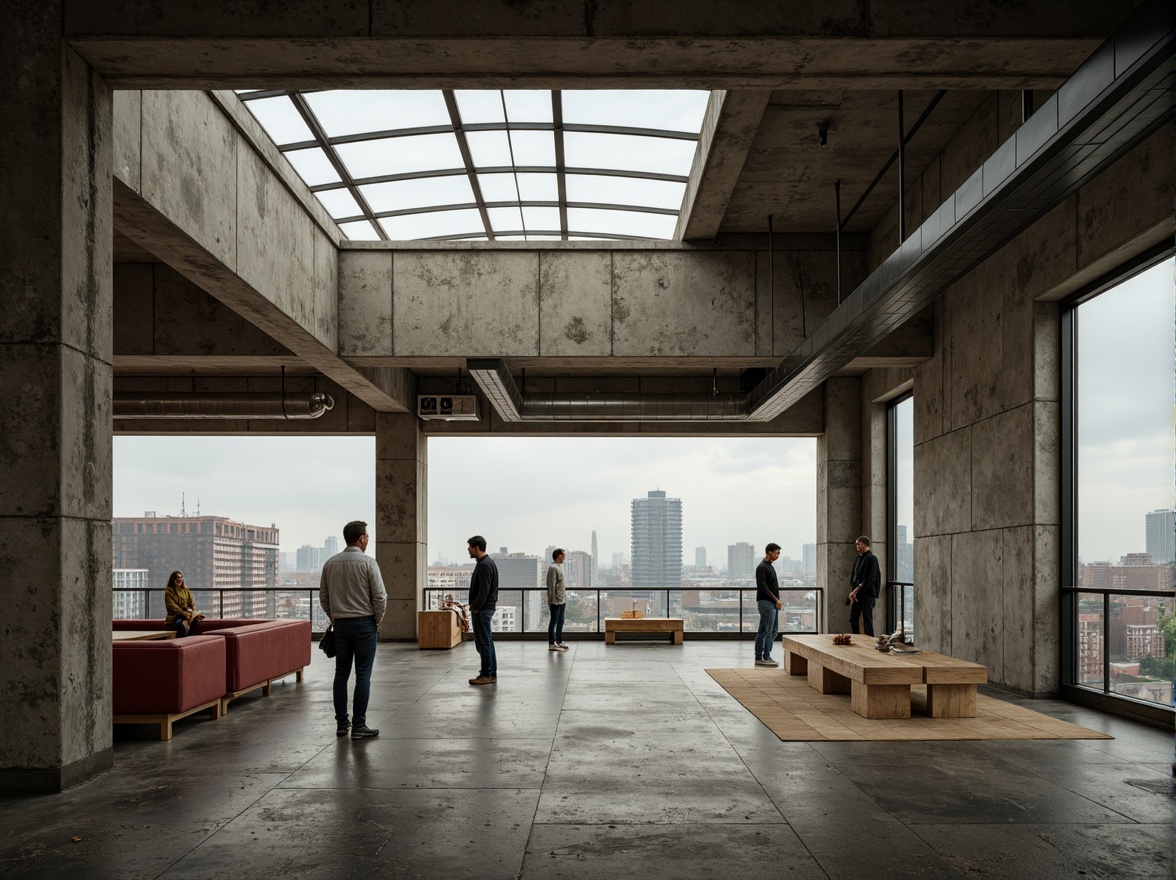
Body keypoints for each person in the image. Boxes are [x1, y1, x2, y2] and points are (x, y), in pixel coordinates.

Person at [320, 520, 387, 739]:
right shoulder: (368, 563)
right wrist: (377, 620)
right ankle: (359, 725)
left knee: (341, 674)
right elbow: (380, 596)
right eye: (367, 536)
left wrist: (334, 617)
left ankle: (341, 724)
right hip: (365, 624)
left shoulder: (330, 563)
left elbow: (324, 597)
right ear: (361, 538)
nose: (368, 540)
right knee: (363, 675)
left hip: (340, 625)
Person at [467, 535, 499, 685]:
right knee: (486, 642)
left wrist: (475, 607)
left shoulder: (485, 565)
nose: (468, 550)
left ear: (477, 547)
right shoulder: (485, 563)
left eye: (470, 547)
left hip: (482, 609)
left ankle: (486, 674)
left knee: (484, 642)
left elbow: (484, 591)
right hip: (484, 608)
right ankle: (490, 672)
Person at [754, 543, 782, 666]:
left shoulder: (769, 567)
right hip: (767, 604)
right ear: (769, 552)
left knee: (772, 631)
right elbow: (763, 587)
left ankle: (765, 656)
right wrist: (776, 600)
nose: (778, 555)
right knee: (766, 631)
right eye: (777, 553)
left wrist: (776, 601)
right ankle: (762, 656)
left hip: (771, 604)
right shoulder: (762, 567)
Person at [848, 535, 881, 636]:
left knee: (868, 622)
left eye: (858, 544)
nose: (856, 546)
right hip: (857, 595)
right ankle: (857, 640)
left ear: (863, 544)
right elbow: (854, 577)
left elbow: (870, 579)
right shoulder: (858, 558)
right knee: (853, 619)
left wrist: (856, 591)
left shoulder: (872, 558)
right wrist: (853, 592)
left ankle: (870, 644)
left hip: (867, 595)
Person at [163, 570, 204, 637]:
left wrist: (192, 612)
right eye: (177, 578)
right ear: (173, 580)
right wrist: (184, 613)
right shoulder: (169, 592)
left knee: (195, 622)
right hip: (175, 616)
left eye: (181, 577)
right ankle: (184, 640)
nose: (180, 580)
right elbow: (172, 607)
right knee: (179, 624)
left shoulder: (185, 590)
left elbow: (191, 603)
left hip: (187, 614)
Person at [546, 548, 568, 652]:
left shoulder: (560, 566)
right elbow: (551, 585)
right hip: (556, 601)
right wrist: (553, 600)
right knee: (554, 621)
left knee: (561, 621)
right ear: (557, 556)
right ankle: (552, 643)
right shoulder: (553, 568)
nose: (564, 556)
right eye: (562, 555)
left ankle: (559, 641)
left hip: (562, 600)